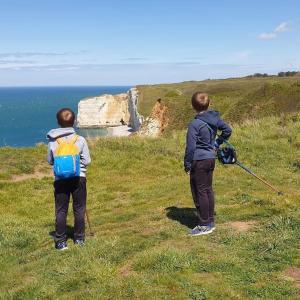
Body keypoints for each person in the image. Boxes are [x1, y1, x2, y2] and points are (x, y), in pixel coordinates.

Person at [184, 92, 232, 236]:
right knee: (207, 190)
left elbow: (191, 147)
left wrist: (187, 164)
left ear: (193, 106)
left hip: (199, 161)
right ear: (209, 104)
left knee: (200, 192)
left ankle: (204, 225)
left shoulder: (194, 124)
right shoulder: (215, 119)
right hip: (210, 159)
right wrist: (216, 143)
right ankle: (210, 221)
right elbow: (228, 130)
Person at [47, 108, 91, 250]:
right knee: (79, 208)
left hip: (60, 179)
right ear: (74, 122)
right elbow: (87, 161)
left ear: (58, 123)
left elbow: (50, 161)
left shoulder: (53, 141)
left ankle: (60, 242)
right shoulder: (80, 139)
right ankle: (79, 239)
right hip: (79, 178)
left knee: (61, 209)